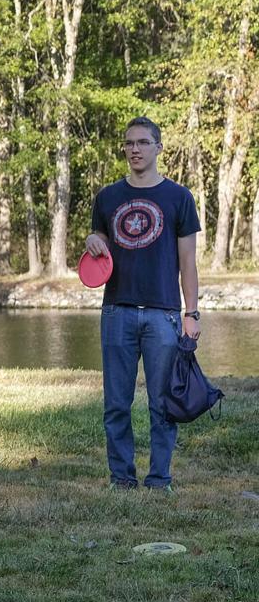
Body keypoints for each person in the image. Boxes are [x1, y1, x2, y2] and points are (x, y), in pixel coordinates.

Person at [85, 116, 201, 492]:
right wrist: (92, 239)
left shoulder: (179, 198)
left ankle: (159, 479)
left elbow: (188, 262)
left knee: (162, 403)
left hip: (163, 315)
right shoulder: (107, 197)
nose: (134, 149)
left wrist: (191, 313)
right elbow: (100, 245)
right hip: (116, 311)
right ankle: (121, 478)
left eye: (142, 142)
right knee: (116, 404)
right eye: (129, 143)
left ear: (158, 148)